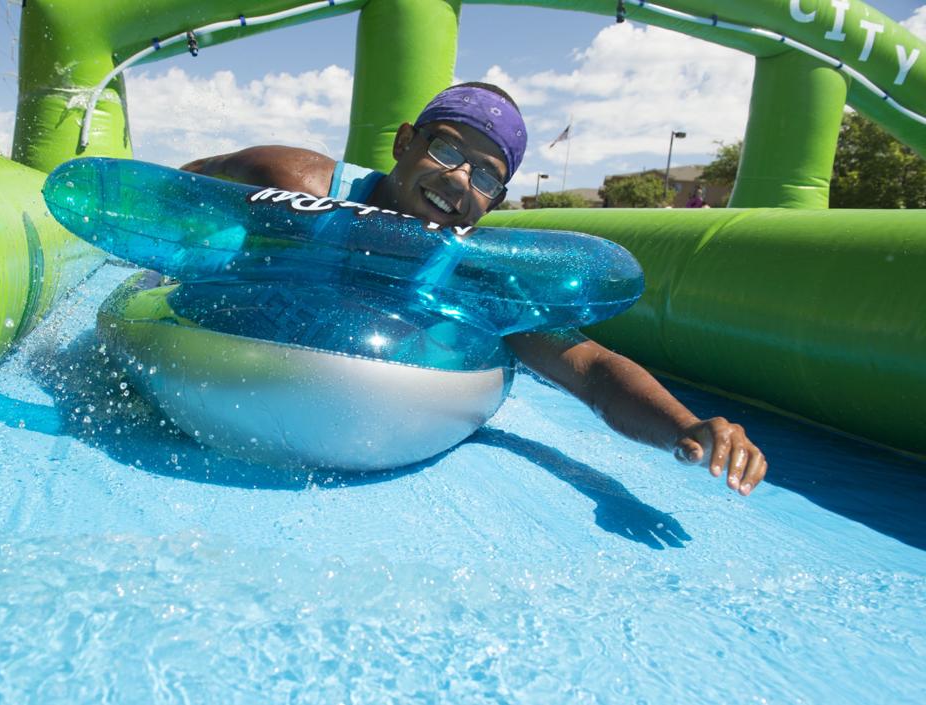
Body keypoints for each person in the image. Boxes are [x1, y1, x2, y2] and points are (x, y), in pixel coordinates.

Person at [182, 82, 767, 497]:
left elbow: (589, 368)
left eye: (486, 177)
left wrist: (684, 426)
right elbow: (176, 187)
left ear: (494, 203)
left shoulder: (476, 277)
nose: (459, 179)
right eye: (446, 149)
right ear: (404, 142)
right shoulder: (293, 181)